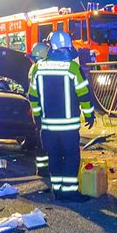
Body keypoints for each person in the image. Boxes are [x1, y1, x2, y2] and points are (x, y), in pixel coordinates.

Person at [30, 30, 95, 202]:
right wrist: (89, 115)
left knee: (54, 156)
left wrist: (37, 118)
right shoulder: (73, 68)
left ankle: (57, 190)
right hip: (68, 126)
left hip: (48, 126)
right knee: (71, 156)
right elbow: (84, 94)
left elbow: (33, 96)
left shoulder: (38, 68)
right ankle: (70, 192)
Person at [28, 42, 50, 177]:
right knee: (44, 141)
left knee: (41, 140)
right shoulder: (39, 69)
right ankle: (45, 168)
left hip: (38, 109)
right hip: (45, 110)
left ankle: (42, 168)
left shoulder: (34, 68)